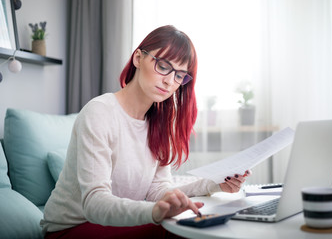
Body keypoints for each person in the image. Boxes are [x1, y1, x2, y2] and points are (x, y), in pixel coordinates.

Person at [41, 25, 251, 239]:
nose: (170, 81)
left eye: (180, 75)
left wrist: (214, 184)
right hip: (70, 228)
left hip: (110, 225)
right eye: (163, 66)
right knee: (179, 231)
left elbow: (157, 191)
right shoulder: (100, 113)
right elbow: (94, 203)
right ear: (138, 58)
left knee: (198, 224)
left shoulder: (160, 123)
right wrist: (154, 212)